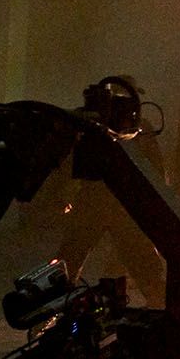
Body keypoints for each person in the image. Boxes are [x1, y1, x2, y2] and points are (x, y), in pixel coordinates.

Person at [51, 75, 167, 307]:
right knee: (70, 258)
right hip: (106, 202)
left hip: (120, 205)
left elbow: (156, 170)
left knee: (140, 259)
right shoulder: (97, 125)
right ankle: (54, 306)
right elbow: (70, 162)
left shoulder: (137, 128)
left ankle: (160, 303)